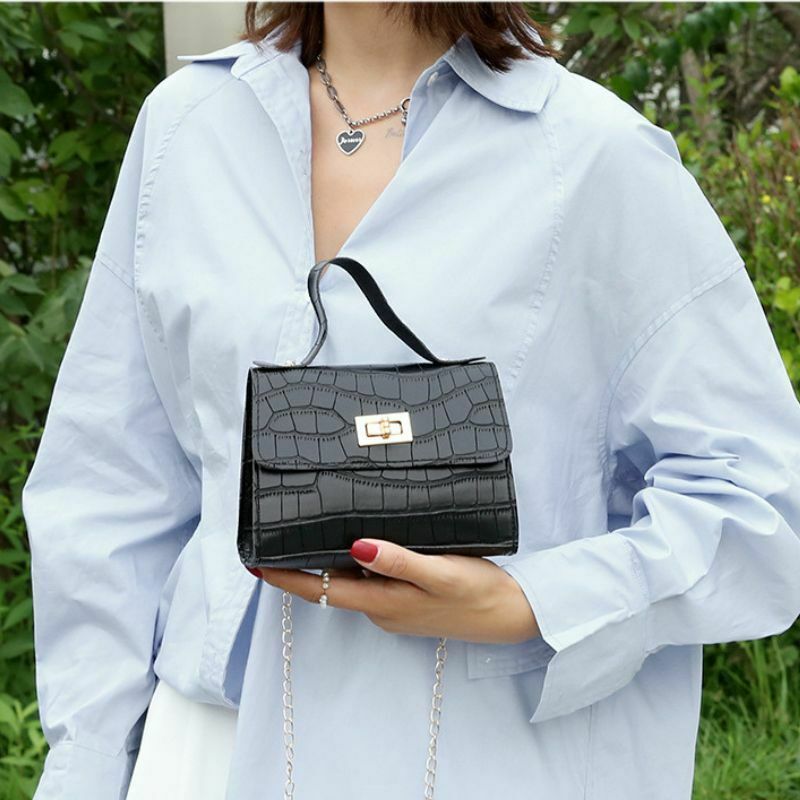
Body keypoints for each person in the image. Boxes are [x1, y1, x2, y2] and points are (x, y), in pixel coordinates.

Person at [22, 3, 800, 799]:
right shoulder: (190, 127)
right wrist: (87, 769)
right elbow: (110, 487)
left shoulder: (595, 154)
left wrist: (530, 601)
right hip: (209, 750)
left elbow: (763, 502)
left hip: (486, 758)